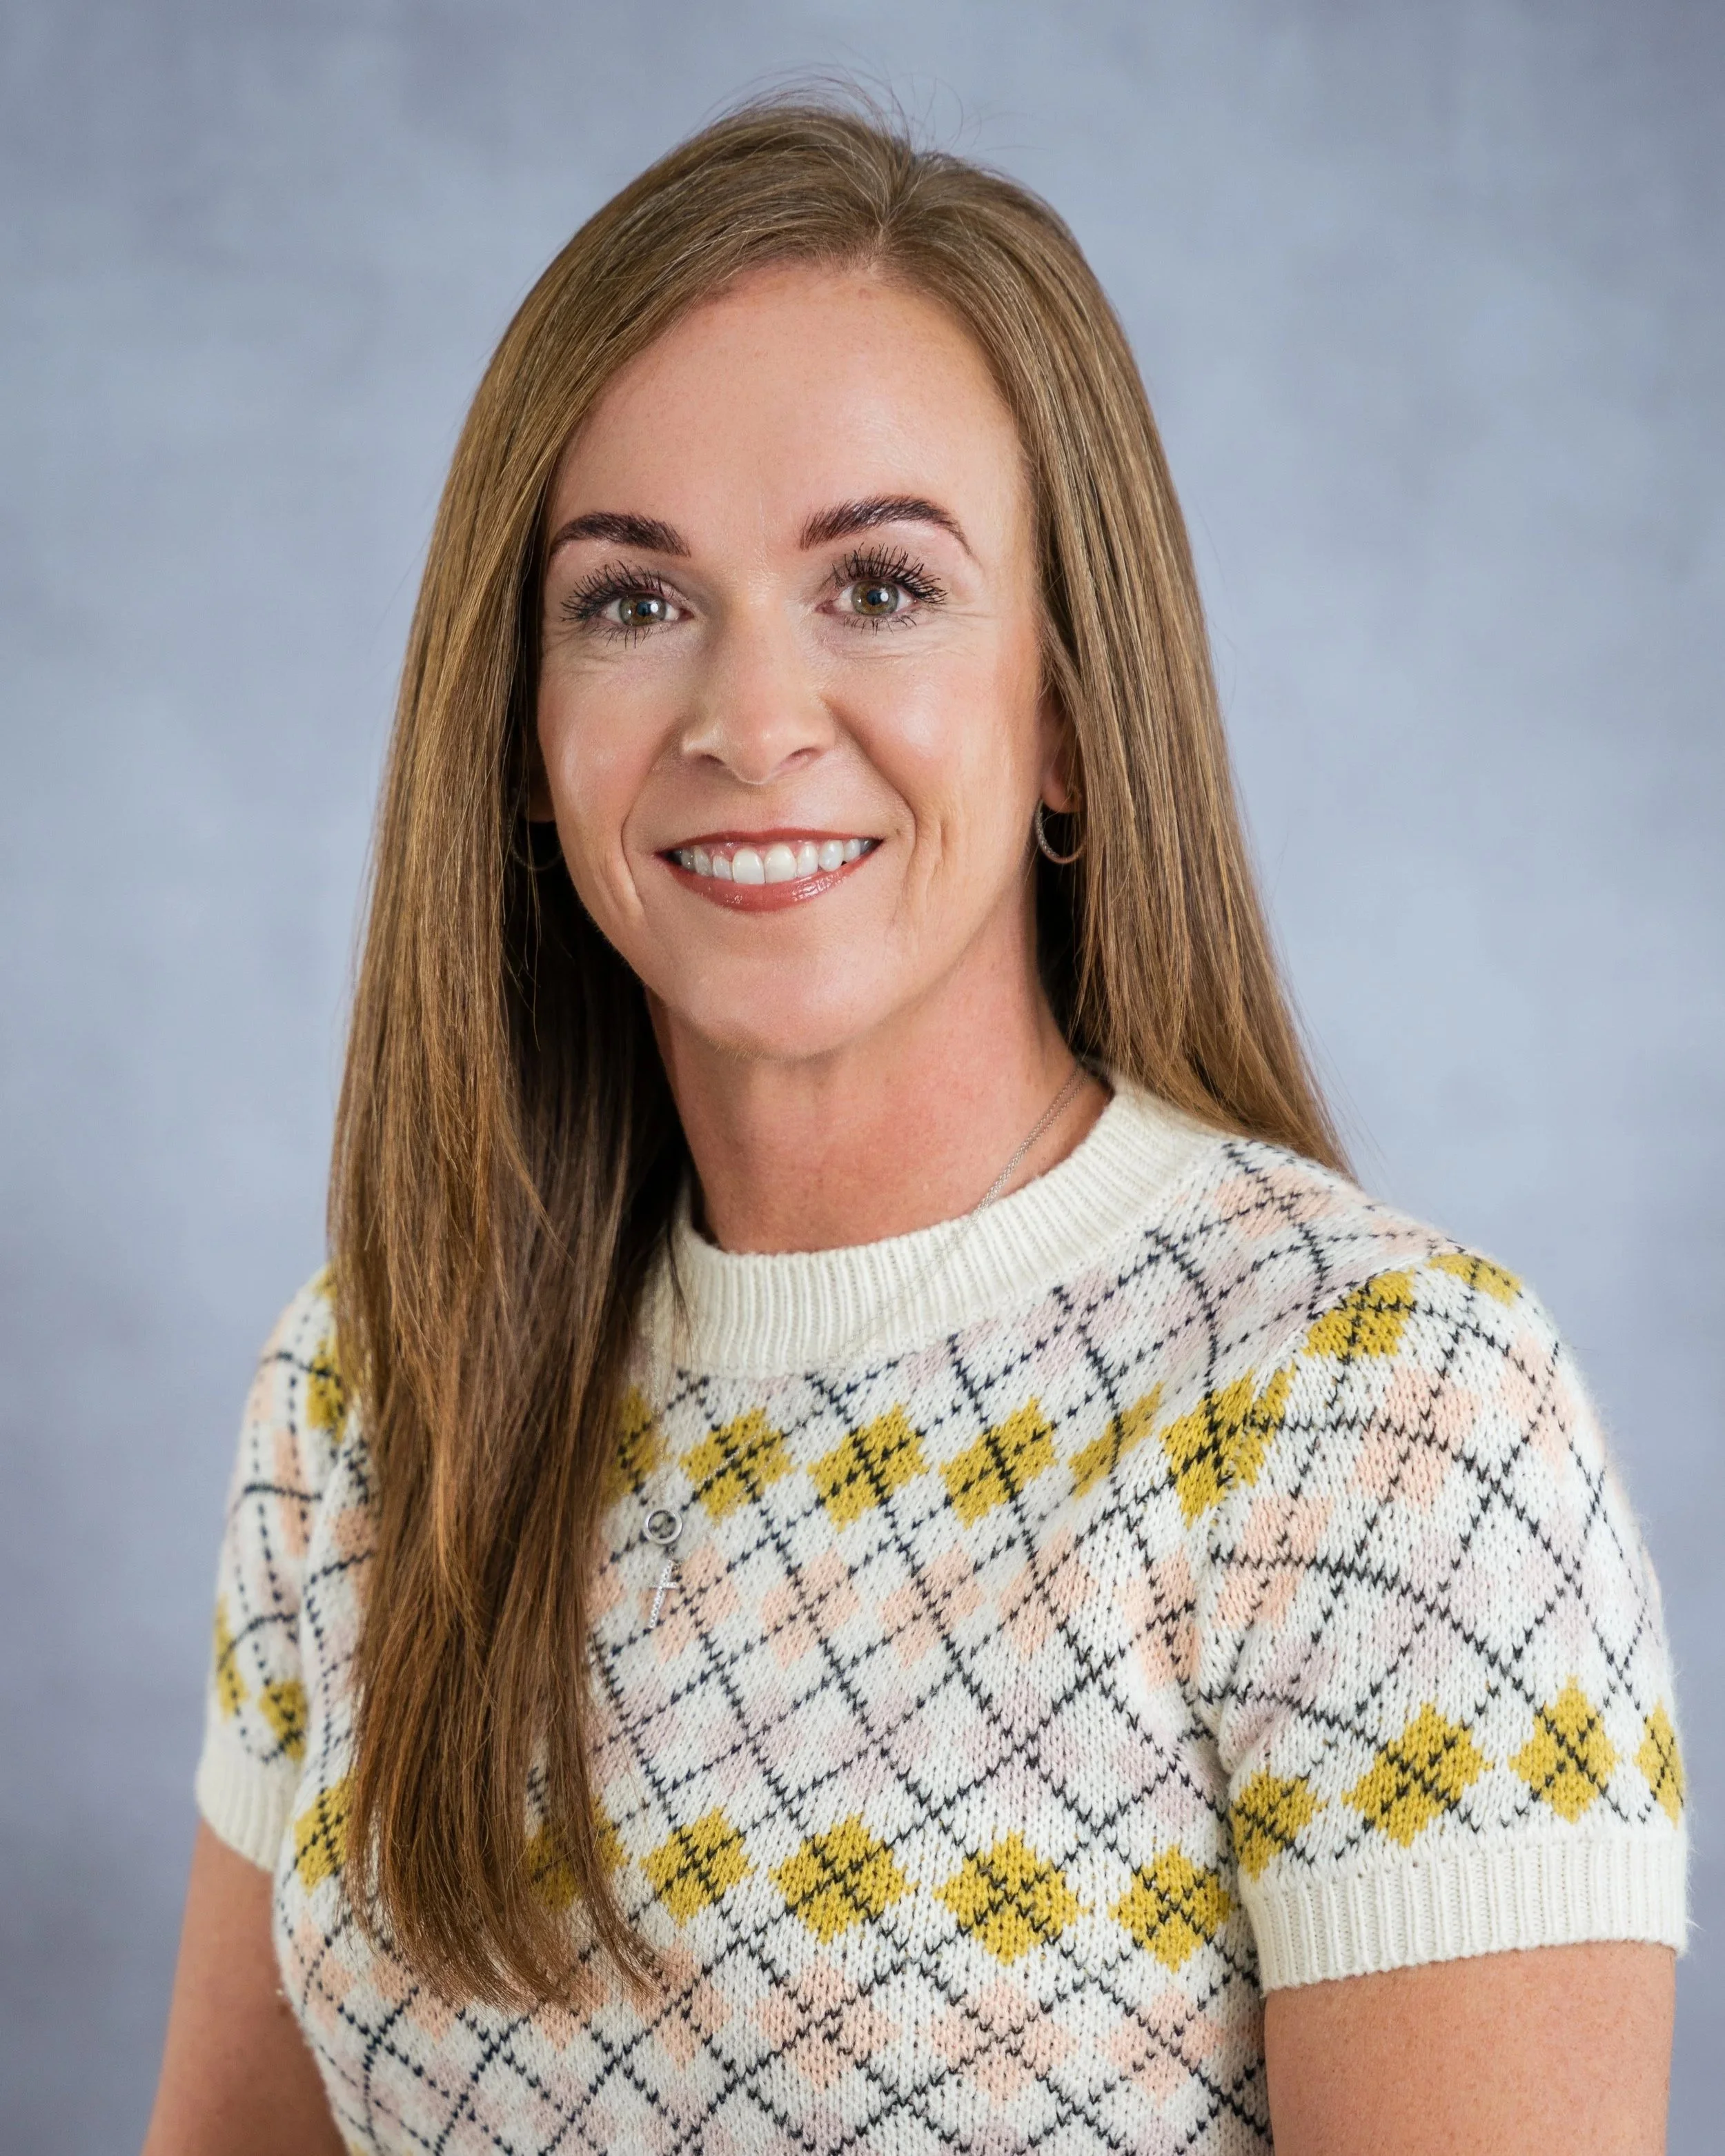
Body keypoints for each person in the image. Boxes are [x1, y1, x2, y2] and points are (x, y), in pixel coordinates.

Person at [144, 97, 1686, 2156]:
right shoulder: (365, 1387)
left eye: (878, 585)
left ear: (1064, 706)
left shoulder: (1385, 1422)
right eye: (628, 600)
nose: (749, 719)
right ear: (518, 733)